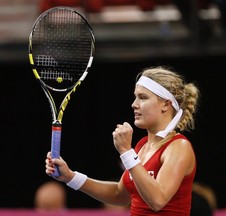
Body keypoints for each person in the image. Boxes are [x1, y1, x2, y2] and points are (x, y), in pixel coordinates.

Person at [45, 65, 200, 215]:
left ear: (166, 104)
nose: (134, 104)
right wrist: (70, 177)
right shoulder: (141, 146)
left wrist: (126, 151)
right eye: (135, 97)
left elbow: (158, 200)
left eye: (143, 98)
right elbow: (120, 195)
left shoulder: (179, 146)